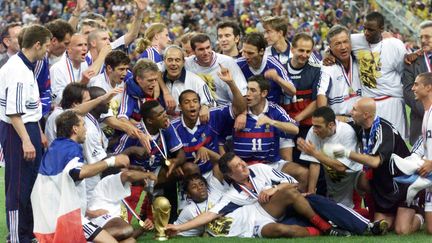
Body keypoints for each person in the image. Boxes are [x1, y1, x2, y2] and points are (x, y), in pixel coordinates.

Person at [325, 97, 423, 234]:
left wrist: (346, 153)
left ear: (366, 115)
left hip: (404, 184)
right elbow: (342, 122)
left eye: (354, 109)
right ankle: (395, 214)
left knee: (402, 230)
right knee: (381, 226)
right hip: (385, 184)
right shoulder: (361, 126)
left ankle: (420, 215)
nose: (351, 112)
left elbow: (375, 162)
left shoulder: (384, 131)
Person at [31, 110, 132, 242]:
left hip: (50, 218)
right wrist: (111, 161)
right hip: (65, 219)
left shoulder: (56, 147)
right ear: (75, 129)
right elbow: (79, 172)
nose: (86, 129)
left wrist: (89, 212)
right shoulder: (70, 149)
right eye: (83, 125)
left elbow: (60, 189)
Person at [0, 24, 52, 243]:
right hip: (16, 130)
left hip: (28, 127)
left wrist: (38, 132)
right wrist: (26, 141)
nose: (48, 51)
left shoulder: (26, 65)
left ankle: (27, 234)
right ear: (37, 44)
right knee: (18, 186)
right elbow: (14, 111)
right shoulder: (18, 70)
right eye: (47, 46)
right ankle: (16, 237)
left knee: (30, 185)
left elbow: (30, 106)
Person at [171, 65, 246, 175]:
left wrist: (231, 83)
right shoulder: (172, 127)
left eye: (195, 101)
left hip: (216, 171)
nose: (192, 105)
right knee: (189, 168)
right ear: (180, 107)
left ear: (200, 104)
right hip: (192, 178)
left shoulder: (212, 116)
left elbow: (240, 108)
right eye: (187, 102)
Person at [350, 12, 408, 139]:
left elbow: (404, 71)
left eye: (371, 29)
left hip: (392, 102)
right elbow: (335, 46)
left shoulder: (394, 45)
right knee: (370, 145)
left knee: (395, 144)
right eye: (364, 28)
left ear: (381, 29)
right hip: (369, 104)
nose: (366, 32)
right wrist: (329, 55)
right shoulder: (355, 40)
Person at [297, 106, 362, 209]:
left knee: (352, 212)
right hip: (332, 181)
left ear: (331, 125)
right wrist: (311, 192)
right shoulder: (313, 131)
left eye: (318, 127)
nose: (314, 130)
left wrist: (314, 153)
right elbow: (314, 163)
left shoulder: (347, 133)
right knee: (335, 212)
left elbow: (342, 167)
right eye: (313, 126)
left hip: (352, 178)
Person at [185, 33, 247, 106]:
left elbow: (243, 94)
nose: (206, 52)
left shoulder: (227, 62)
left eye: (208, 47)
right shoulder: (188, 63)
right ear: (193, 51)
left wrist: (242, 114)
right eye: (201, 49)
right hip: (202, 109)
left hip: (227, 108)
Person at [317, 25, 362, 122]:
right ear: (330, 47)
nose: (343, 47)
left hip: (362, 119)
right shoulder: (326, 67)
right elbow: (321, 94)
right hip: (340, 122)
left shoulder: (359, 60)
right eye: (337, 44)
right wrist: (328, 118)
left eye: (345, 42)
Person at [237, 32, 296, 104]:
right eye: (244, 52)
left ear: (261, 51)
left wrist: (277, 78)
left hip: (272, 110)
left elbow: (292, 91)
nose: (245, 56)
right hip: (248, 110)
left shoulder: (272, 64)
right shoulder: (238, 64)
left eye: (250, 53)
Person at [161, 45, 214, 116]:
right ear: (164, 61)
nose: (173, 64)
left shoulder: (196, 81)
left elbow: (210, 102)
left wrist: (205, 107)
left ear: (183, 62)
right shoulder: (157, 79)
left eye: (177, 60)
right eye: (170, 60)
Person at [402, 20, 432, 144]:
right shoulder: (411, 62)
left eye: (427, 37)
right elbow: (409, 93)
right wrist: (429, 112)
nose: (423, 40)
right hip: (420, 125)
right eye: (421, 37)